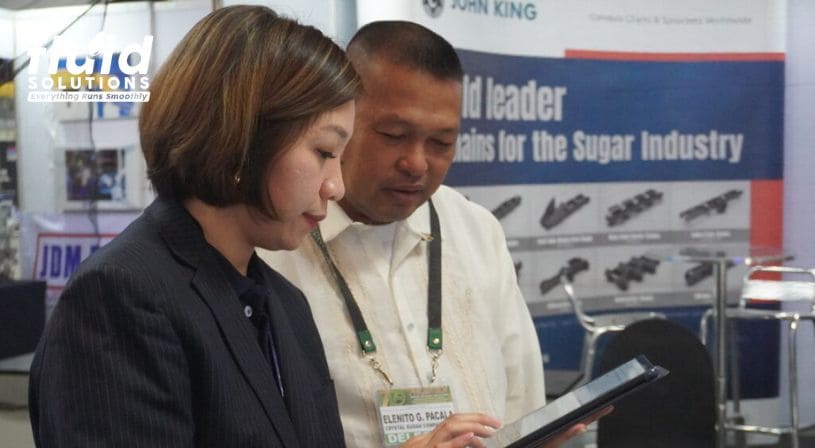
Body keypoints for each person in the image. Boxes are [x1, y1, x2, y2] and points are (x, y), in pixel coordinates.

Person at [260, 21, 603, 448]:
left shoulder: (475, 231)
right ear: (340, 119)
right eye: (394, 136)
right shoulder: (272, 245)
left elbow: (521, 397)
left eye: (441, 143)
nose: (417, 163)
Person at [29, 6, 358, 447]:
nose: (337, 186)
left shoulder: (285, 303)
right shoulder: (121, 296)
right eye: (323, 151)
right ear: (241, 136)